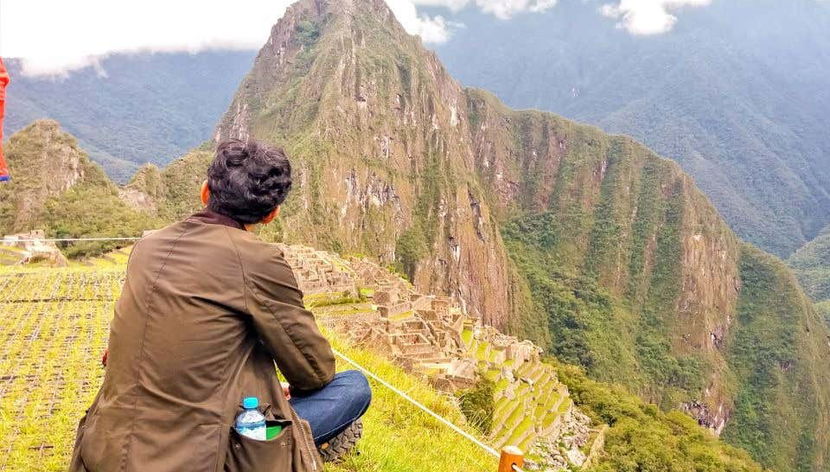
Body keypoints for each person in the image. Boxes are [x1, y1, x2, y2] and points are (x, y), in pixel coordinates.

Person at [70, 139, 371, 472]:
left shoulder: (147, 246)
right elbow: (315, 371)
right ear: (272, 214)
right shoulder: (259, 260)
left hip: (108, 445)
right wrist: (280, 386)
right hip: (201, 456)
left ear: (204, 191)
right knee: (353, 387)